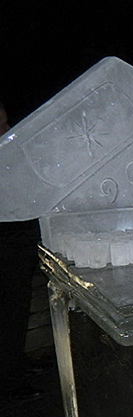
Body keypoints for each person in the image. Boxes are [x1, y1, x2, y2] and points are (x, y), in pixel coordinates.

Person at [0, 101, 43, 398]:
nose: (7, 131)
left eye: (6, 123)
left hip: (17, 241)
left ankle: (14, 368)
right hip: (7, 243)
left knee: (16, 309)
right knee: (10, 311)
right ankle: (10, 378)